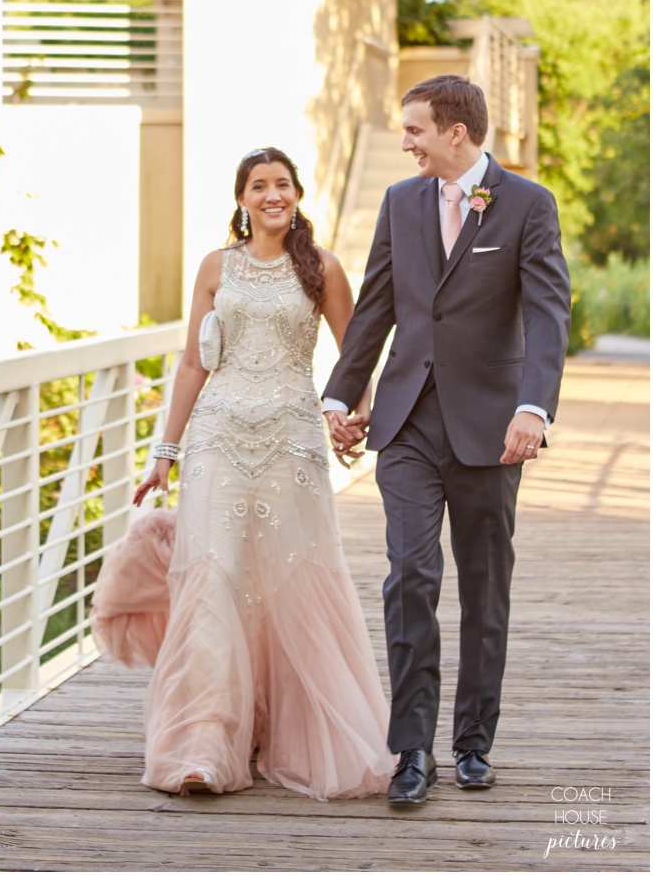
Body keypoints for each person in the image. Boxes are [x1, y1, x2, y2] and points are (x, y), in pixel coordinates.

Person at [90, 147, 394, 800]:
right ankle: (203, 744)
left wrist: (354, 420)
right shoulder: (214, 267)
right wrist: (164, 454)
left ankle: (293, 733)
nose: (272, 195)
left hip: (291, 440)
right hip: (218, 442)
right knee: (214, 583)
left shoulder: (323, 268)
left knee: (290, 582)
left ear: (297, 193)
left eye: (282, 184)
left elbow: (356, 357)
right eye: (259, 186)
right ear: (242, 198)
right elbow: (193, 366)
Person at [323, 75, 571, 805]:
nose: (405, 143)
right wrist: (341, 394)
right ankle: (411, 751)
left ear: (455, 132)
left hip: (494, 428)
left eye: (414, 130)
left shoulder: (528, 205)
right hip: (406, 423)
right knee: (409, 576)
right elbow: (374, 306)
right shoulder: (401, 203)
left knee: (485, 586)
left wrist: (534, 407)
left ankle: (471, 744)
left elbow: (550, 315)